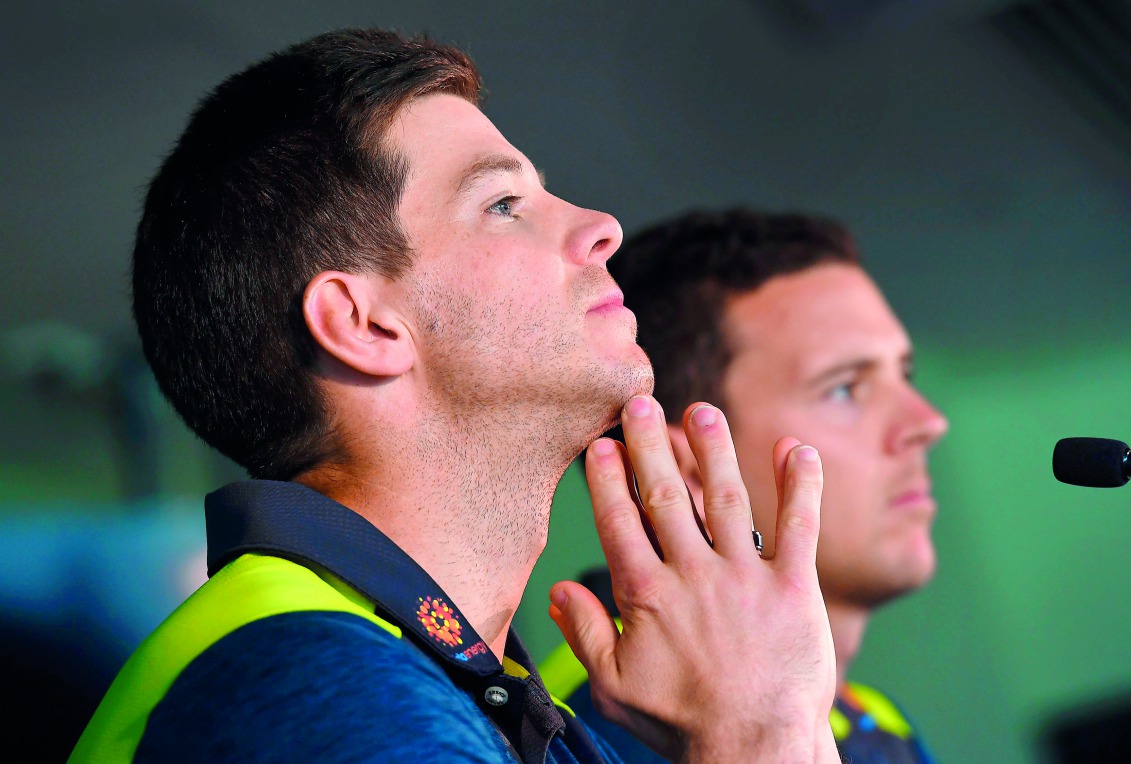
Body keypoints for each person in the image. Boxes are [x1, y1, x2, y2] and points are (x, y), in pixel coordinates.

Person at [69, 30, 840, 763]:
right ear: (364, 325)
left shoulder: (445, 689)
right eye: (503, 204)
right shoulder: (308, 681)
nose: (603, 227)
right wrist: (760, 727)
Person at [541, 209, 950, 764]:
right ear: (684, 468)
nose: (927, 422)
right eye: (845, 387)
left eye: (904, 374)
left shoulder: (876, 719)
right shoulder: (572, 735)